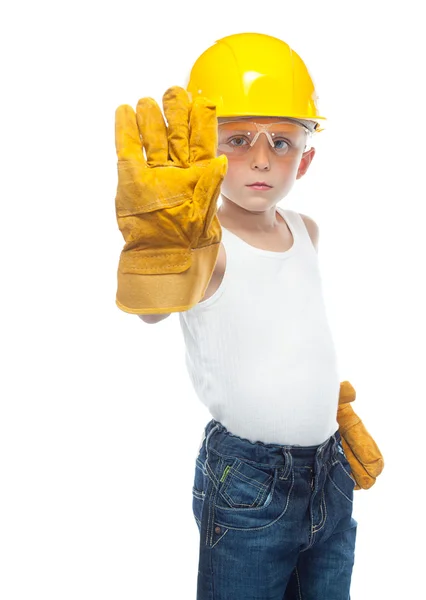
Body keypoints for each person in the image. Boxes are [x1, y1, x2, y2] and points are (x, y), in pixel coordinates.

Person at [119, 32, 358, 600]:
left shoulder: (307, 231)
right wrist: (161, 252)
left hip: (330, 471)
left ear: (308, 154)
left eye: (281, 141)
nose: (259, 158)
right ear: (205, 147)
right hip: (249, 481)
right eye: (237, 139)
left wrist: (329, 407)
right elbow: (153, 314)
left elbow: (294, 333)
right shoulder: (205, 244)